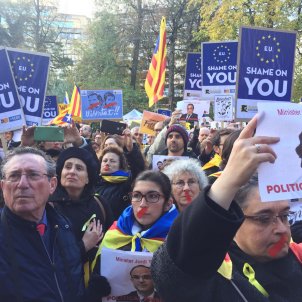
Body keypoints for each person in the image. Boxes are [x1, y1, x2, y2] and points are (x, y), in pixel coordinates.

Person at [151, 115, 302, 301]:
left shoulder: (298, 256)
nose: (281, 228)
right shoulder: (217, 276)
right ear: (233, 220)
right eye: (264, 218)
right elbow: (170, 274)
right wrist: (229, 179)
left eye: (285, 215)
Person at [0, 147, 109, 301]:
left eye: (33, 175)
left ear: (52, 185)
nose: (22, 184)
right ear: (3, 186)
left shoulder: (63, 226)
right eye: (14, 176)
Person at [50, 147, 114, 286]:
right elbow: (49, 257)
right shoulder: (48, 207)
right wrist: (84, 246)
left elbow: (112, 243)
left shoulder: (100, 203)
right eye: (68, 167)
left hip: (95, 283)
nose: (72, 171)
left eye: (79, 168)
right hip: (62, 287)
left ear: (87, 178)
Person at [92, 170, 178, 272]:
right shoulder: (116, 231)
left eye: (153, 196)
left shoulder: (178, 239)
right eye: (137, 195)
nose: (142, 205)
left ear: (168, 204)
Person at [96, 129, 145, 219]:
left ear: (120, 165)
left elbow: (138, 169)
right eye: (105, 160)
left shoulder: (126, 181)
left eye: (112, 161)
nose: (107, 163)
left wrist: (131, 150)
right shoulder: (94, 181)